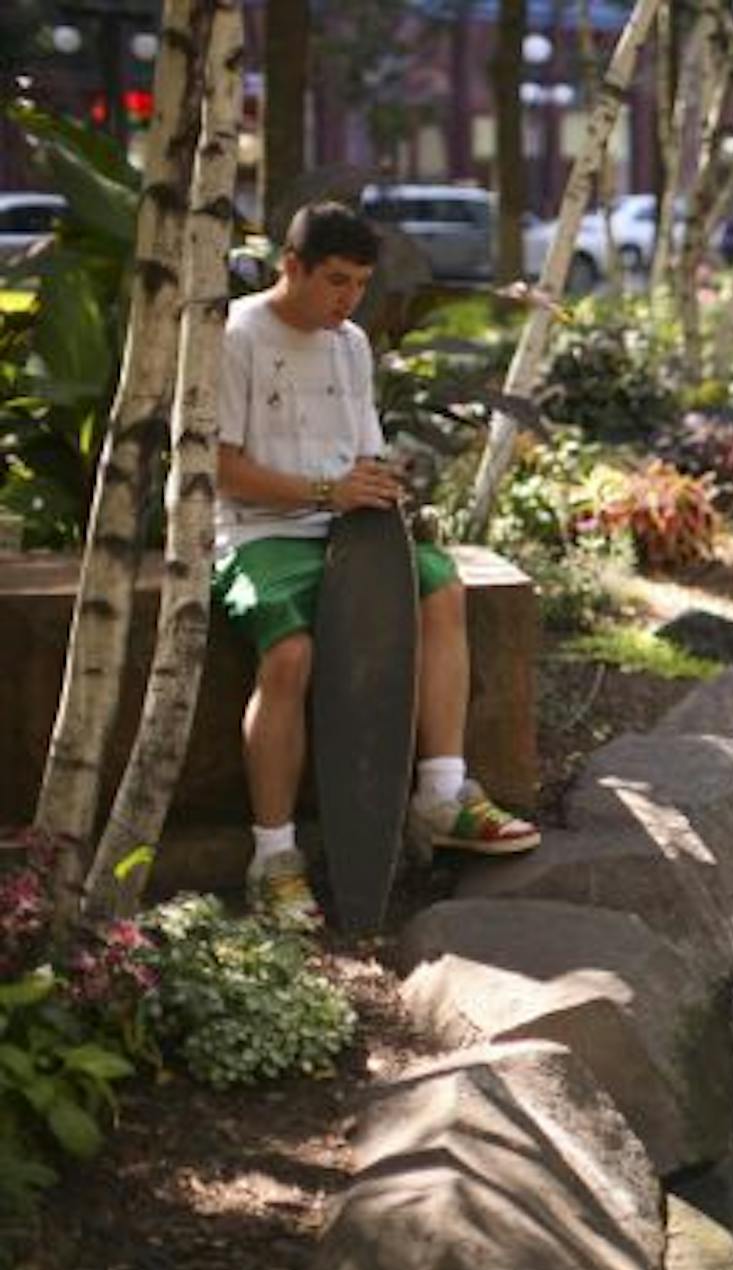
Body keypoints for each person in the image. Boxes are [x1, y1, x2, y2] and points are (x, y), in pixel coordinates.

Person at [215, 201, 539, 931]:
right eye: (335, 280)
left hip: (350, 530)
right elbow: (220, 468)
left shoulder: (353, 344)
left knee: (442, 588)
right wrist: (324, 490)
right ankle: (274, 859)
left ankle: (441, 798)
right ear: (291, 266)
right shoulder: (235, 335)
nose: (349, 299)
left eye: (360, 283)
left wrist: (381, 484)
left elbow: (362, 454)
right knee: (290, 654)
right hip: (257, 532)